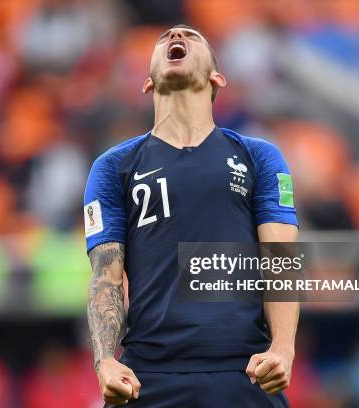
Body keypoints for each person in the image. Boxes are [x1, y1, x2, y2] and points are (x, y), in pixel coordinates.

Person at [84, 24, 299, 407]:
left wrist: (283, 347)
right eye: (163, 38)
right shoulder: (113, 166)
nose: (176, 34)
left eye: (191, 36)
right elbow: (106, 277)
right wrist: (105, 361)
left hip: (244, 371)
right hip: (148, 376)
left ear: (217, 77)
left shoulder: (259, 156)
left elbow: (280, 259)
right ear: (147, 82)